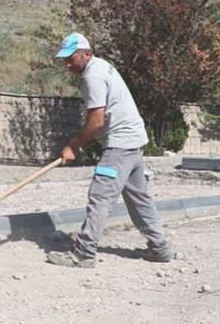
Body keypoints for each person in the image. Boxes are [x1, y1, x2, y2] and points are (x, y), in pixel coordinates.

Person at [46, 33, 173, 268]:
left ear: (86, 53)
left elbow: (96, 121)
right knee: (139, 199)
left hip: (119, 146)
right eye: (64, 59)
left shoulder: (92, 76)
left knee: (100, 196)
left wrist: (73, 146)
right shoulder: (102, 66)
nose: (67, 64)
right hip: (133, 143)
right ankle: (160, 248)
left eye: (71, 58)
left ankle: (84, 253)